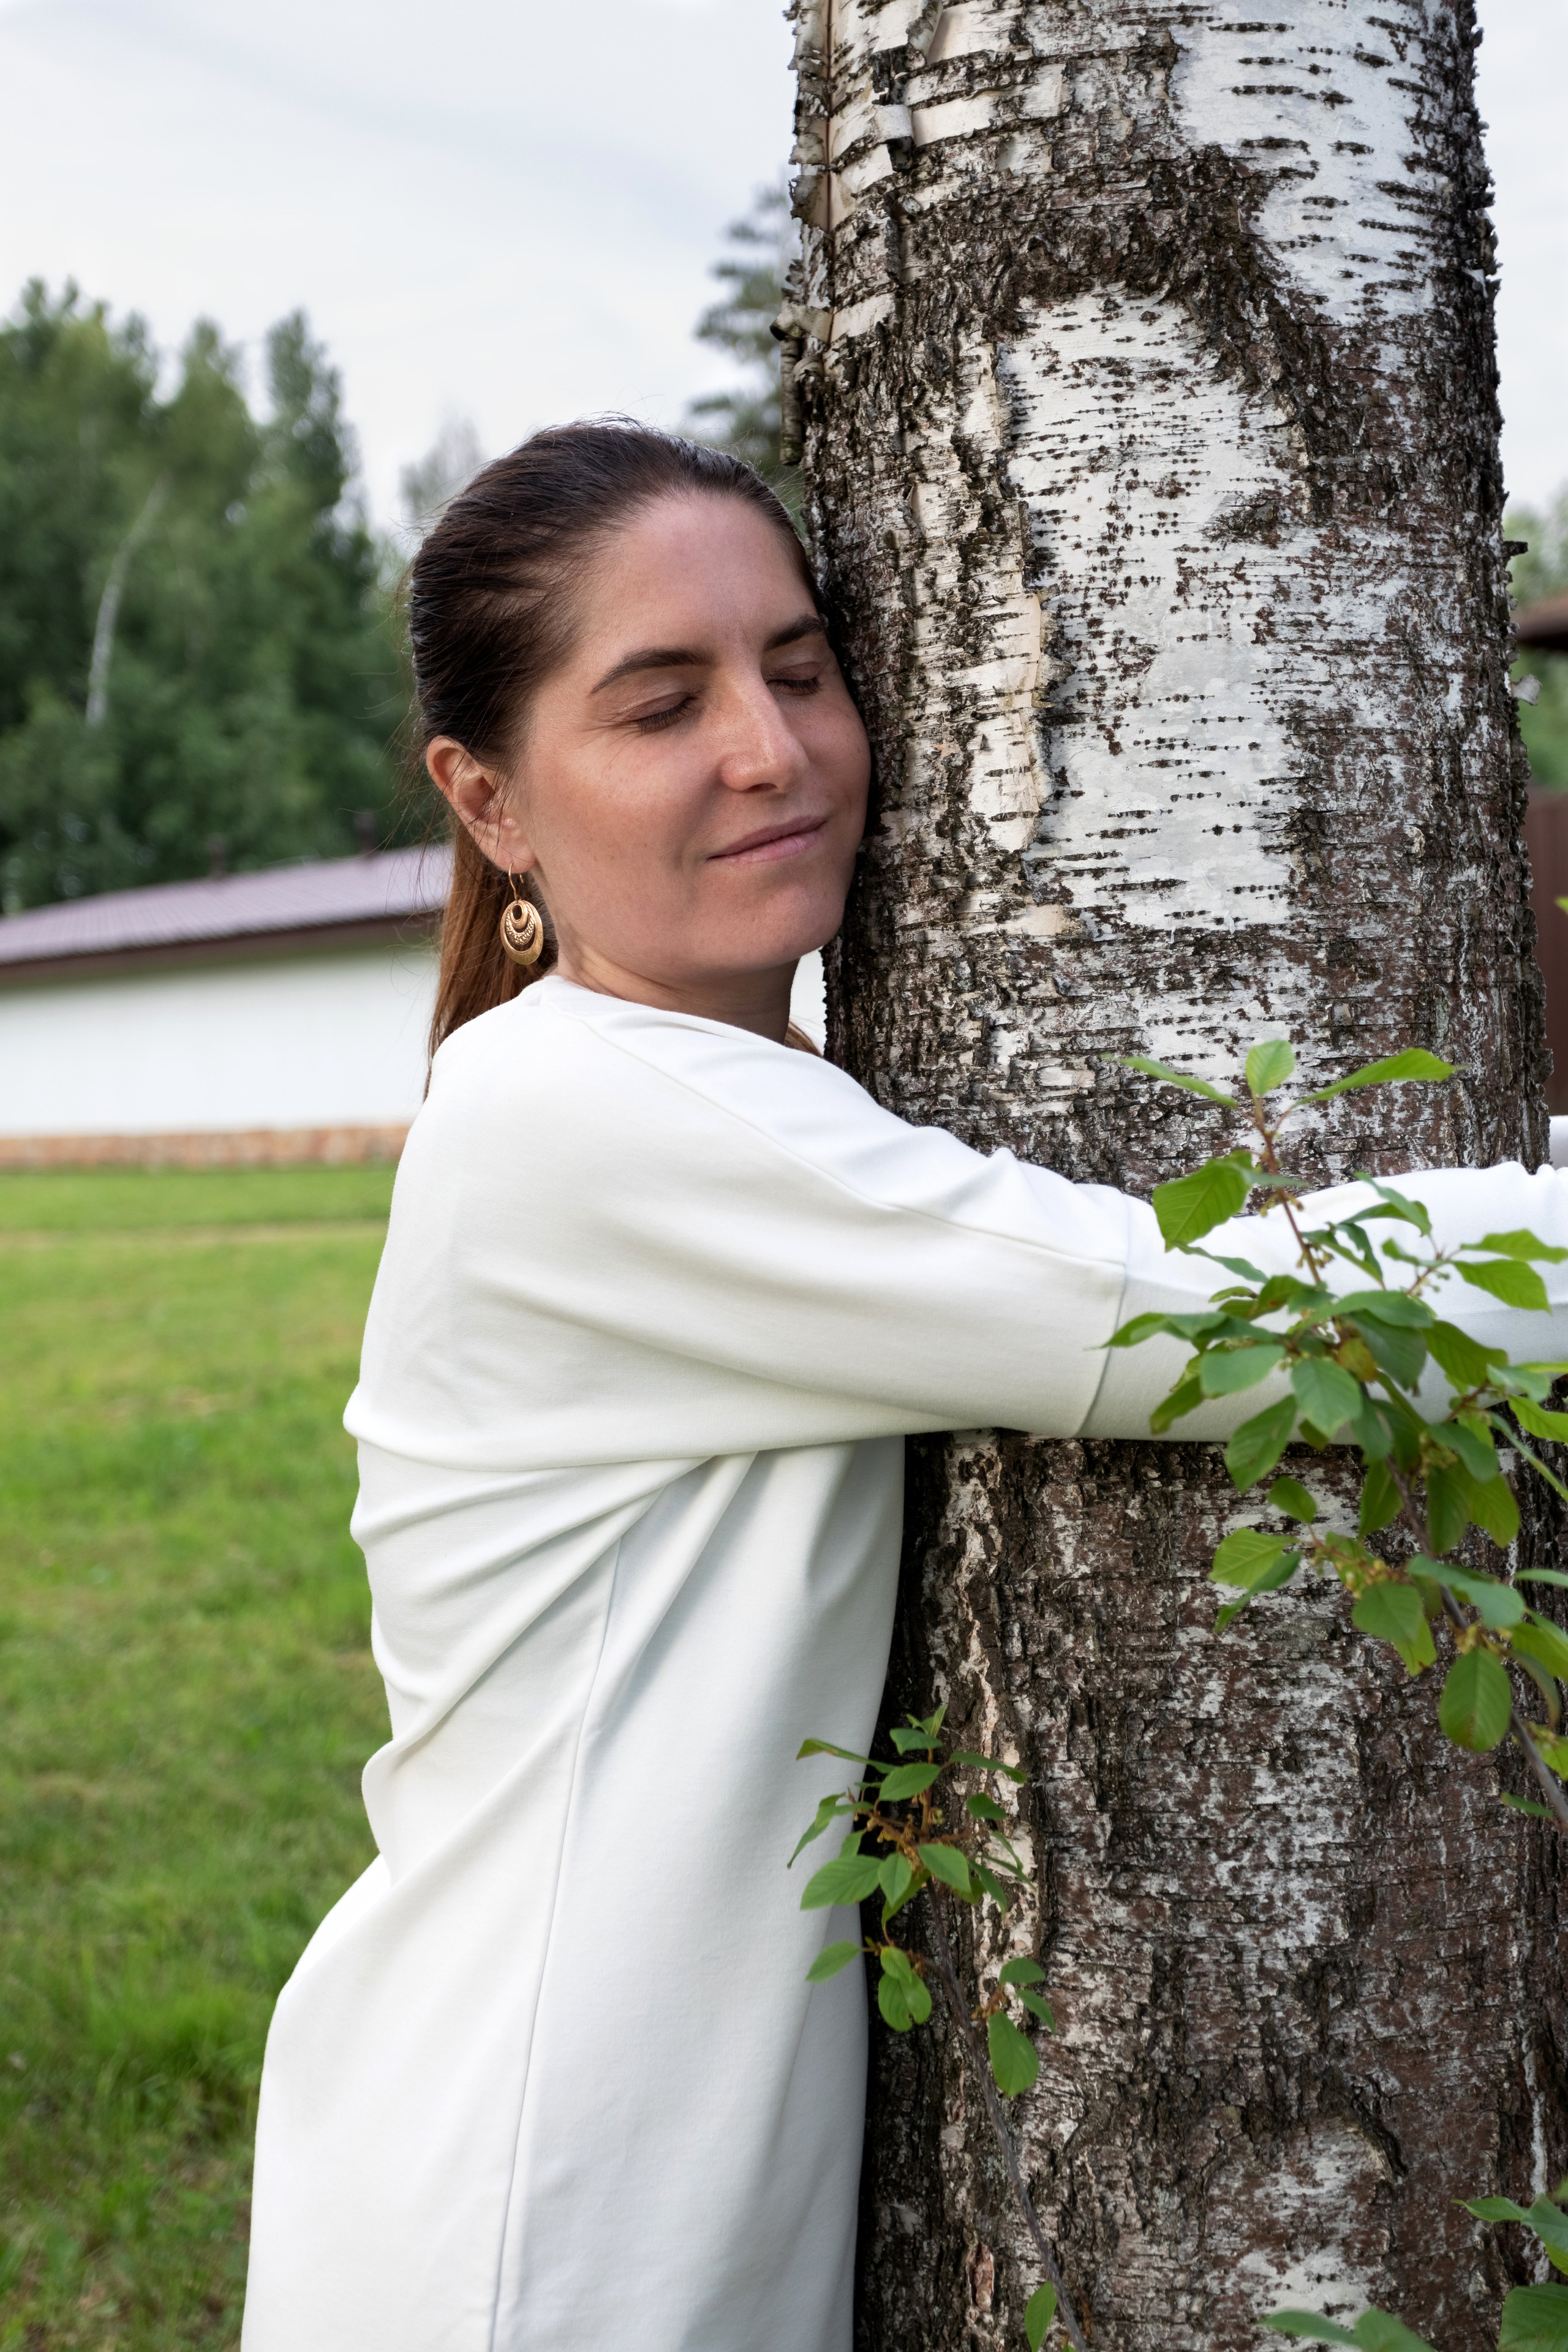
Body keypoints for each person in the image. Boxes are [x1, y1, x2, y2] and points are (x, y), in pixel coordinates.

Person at [241, 423, 1568, 2352]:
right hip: (534, 2203)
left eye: (798, 666)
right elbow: (1184, 1319)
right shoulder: (579, 1109)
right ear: (491, 799)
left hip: (611, 2154)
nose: (771, 749)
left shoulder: (722, 1091)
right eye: (657, 704)